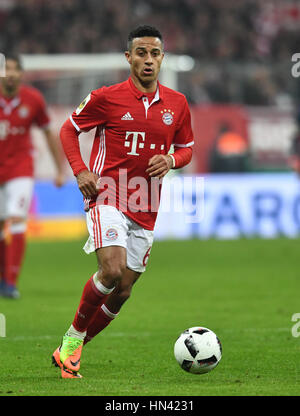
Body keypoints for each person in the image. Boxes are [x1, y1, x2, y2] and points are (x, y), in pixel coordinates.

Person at [52, 25, 194, 379]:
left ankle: (71, 347)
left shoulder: (177, 104)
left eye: (155, 54)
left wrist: (172, 161)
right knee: (111, 271)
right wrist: (80, 170)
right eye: (141, 53)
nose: (148, 60)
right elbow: (68, 129)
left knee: (123, 291)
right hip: (108, 195)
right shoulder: (106, 97)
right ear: (128, 57)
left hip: (147, 203)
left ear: (163, 58)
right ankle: (72, 343)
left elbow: (186, 147)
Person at [0, 55, 65, 299]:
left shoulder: (33, 99)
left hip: (21, 168)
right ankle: (2, 278)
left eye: (15, 69)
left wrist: (59, 170)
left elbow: (48, 133)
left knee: (16, 219)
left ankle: (11, 282)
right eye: (6, 69)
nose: (11, 73)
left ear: (21, 74)